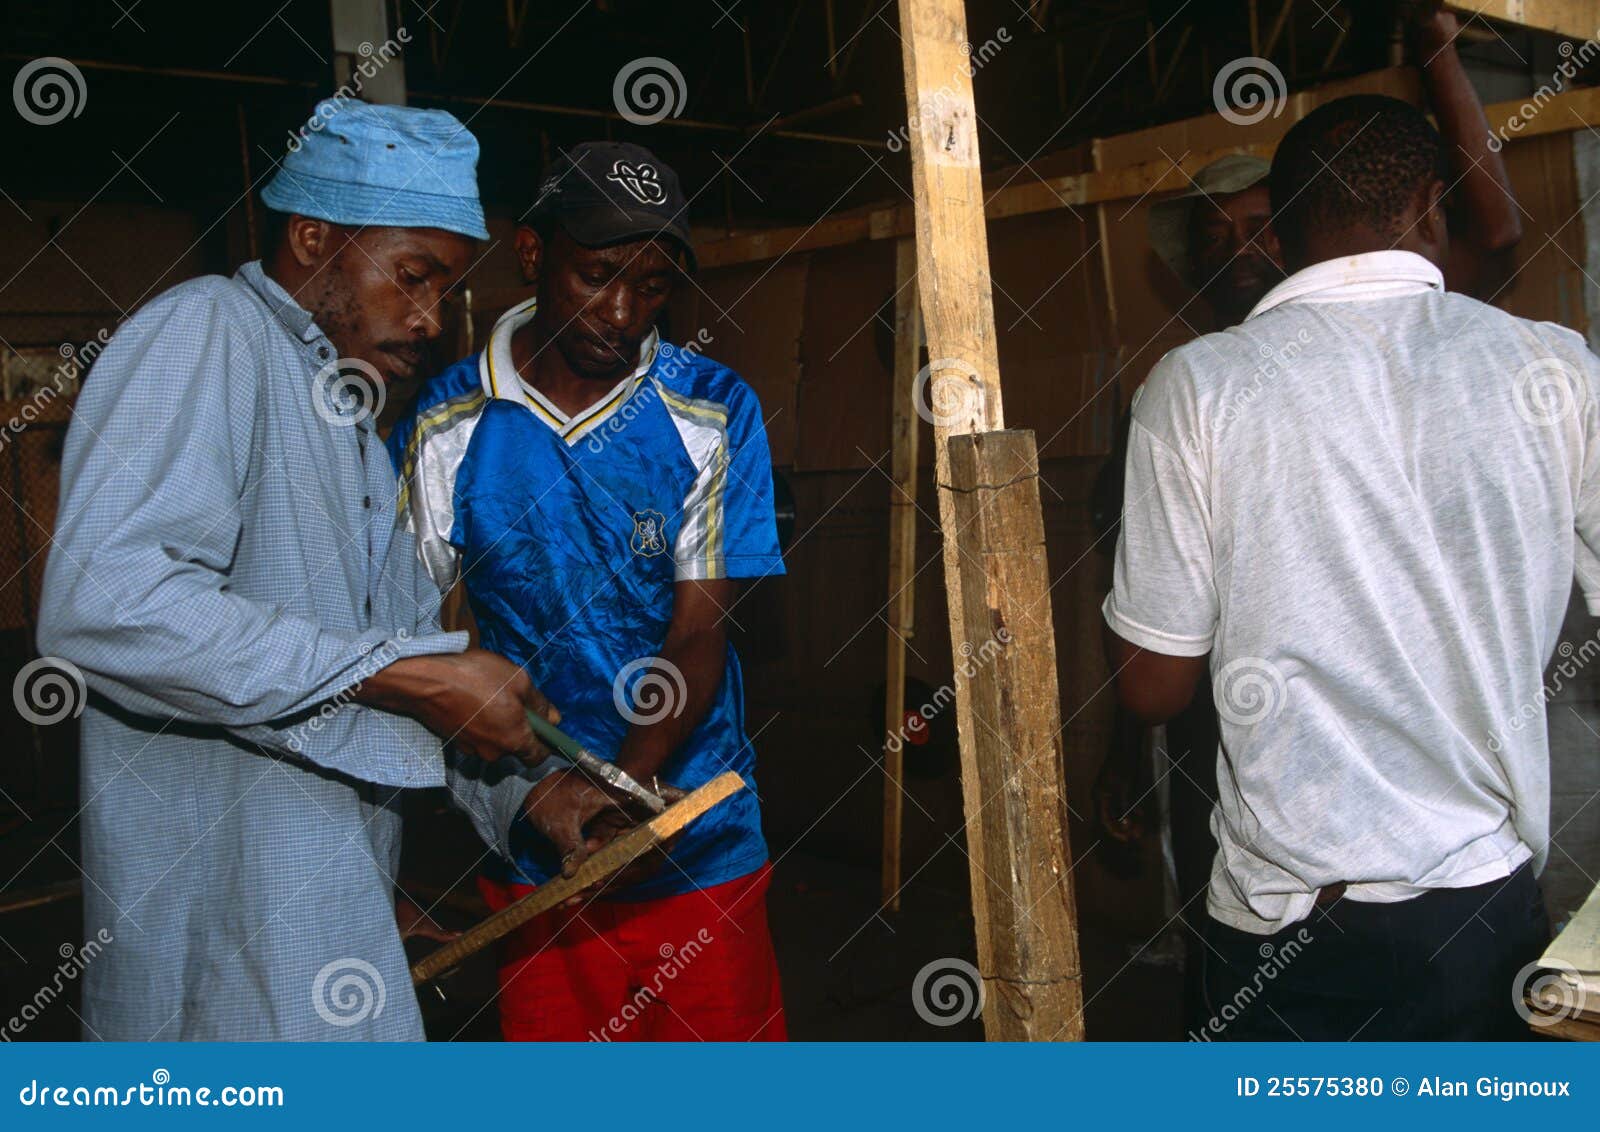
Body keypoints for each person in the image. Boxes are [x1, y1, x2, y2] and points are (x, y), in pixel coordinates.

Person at [34, 99, 638, 1041]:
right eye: (412, 275)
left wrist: (533, 790)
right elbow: (106, 603)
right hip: (218, 947)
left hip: (325, 923)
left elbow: (401, 666)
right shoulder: (206, 333)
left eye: (445, 288)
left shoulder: (352, 428)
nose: (430, 317)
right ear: (313, 237)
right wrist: (411, 674)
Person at [1102, 91, 1592, 1040]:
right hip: (1480, 902)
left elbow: (1153, 687)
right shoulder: (1554, 367)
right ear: (1428, 205)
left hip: (1287, 916)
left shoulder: (1194, 387)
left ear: (1284, 230)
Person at [389, 141, 788, 1041]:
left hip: (695, 839)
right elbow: (414, 641)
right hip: (535, 845)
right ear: (533, 254)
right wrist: (545, 798)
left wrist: (627, 797)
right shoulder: (448, 420)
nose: (622, 313)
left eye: (652, 287)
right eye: (597, 276)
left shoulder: (712, 407)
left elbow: (698, 632)